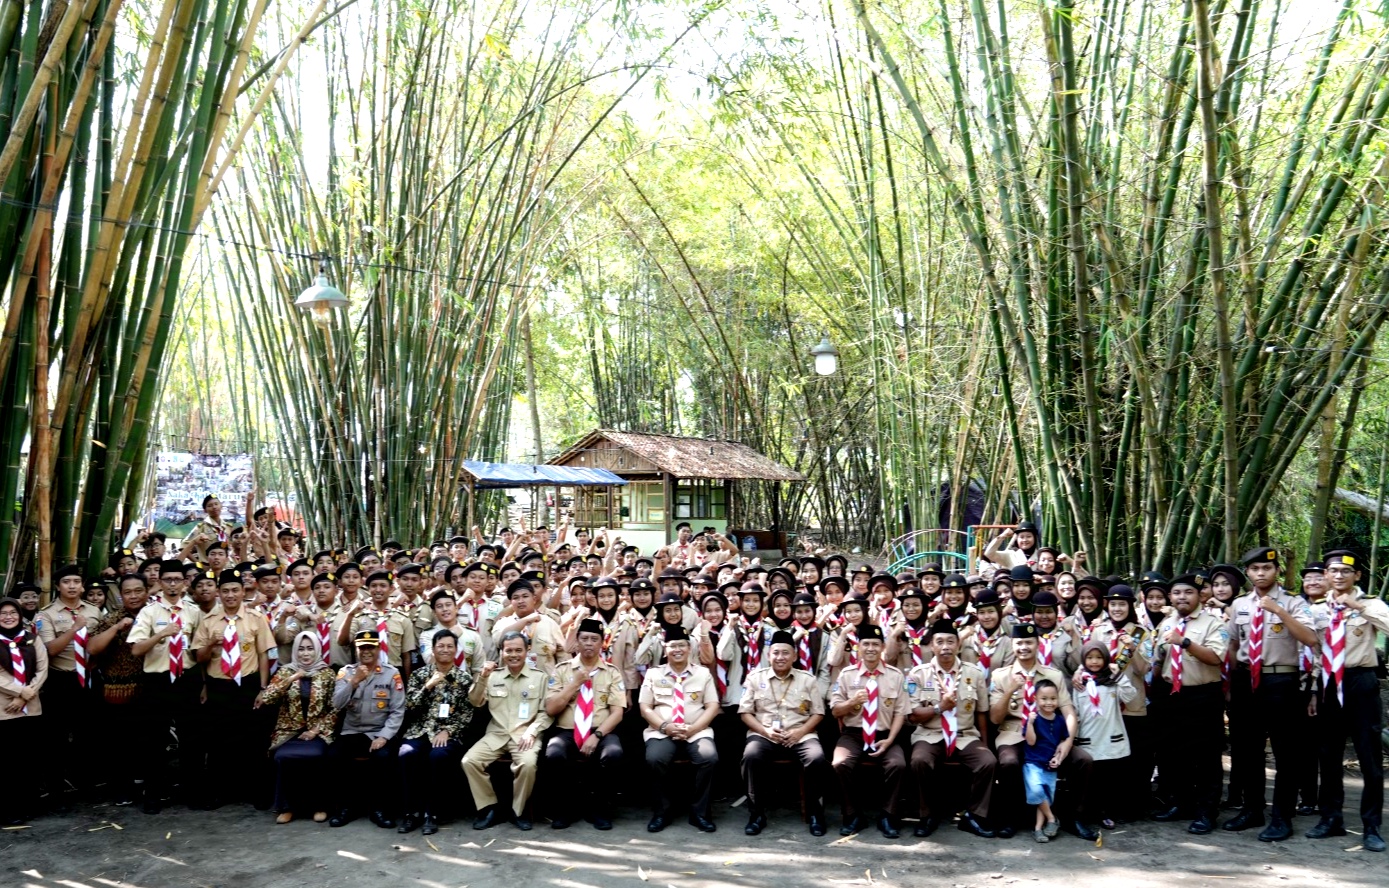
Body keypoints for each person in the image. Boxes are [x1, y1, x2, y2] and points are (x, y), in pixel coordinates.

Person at [1224, 547, 1316, 841]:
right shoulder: (1239, 605)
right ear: (1248, 573)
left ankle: (1282, 816)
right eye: (1254, 569)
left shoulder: (1293, 602)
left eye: (1266, 568)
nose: (1260, 574)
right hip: (1246, 681)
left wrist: (1279, 611)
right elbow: (1233, 644)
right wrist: (1231, 683)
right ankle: (1253, 810)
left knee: (1285, 752)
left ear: (1277, 571)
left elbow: (1310, 639)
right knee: (1248, 750)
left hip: (1281, 681)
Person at [1306, 550, 1387, 851]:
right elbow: (1315, 654)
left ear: (1357, 576)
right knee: (1328, 755)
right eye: (1332, 570)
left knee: (1370, 759)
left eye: (1344, 571)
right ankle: (1330, 819)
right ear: (1325, 575)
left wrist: (1358, 607)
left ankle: (1371, 827)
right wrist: (1314, 690)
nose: (1338, 576)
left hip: (1361, 682)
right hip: (1328, 684)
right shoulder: (1316, 610)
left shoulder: (1371, 603)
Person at [990, 623, 1097, 840]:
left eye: (1029, 642)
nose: (1024, 647)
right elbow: (995, 718)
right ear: (1012, 645)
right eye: (1019, 643)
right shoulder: (1000, 676)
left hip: (1049, 736)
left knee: (1083, 760)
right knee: (1009, 762)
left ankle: (1074, 818)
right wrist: (1011, 689)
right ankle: (1013, 818)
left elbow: (1068, 711)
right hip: (1014, 733)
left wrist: (1067, 743)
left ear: (1038, 645)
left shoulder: (1053, 675)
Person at [191, 568, 276, 807]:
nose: (230, 595)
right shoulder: (209, 622)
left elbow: (262, 655)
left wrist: (262, 688)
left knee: (254, 741)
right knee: (219, 742)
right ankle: (220, 792)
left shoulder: (255, 619)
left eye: (235, 590)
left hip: (248, 684)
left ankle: (257, 792)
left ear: (243, 592)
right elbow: (200, 658)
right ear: (218, 593)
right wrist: (209, 644)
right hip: (219, 685)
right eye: (225, 590)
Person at [1152, 574, 1229, 835]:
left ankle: (1207, 812)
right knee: (1175, 755)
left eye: (1188, 592)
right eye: (1176, 593)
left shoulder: (1213, 623)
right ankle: (1181, 804)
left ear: (1200, 596)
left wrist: (1185, 642)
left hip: (1202, 697)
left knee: (1206, 758)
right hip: (1171, 696)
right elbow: (1158, 659)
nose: (1181, 597)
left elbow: (1216, 657)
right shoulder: (1166, 623)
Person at [906, 620, 996, 838]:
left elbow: (981, 712)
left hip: (964, 735)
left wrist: (984, 743)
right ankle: (928, 815)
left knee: (988, 762)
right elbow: (912, 715)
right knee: (919, 760)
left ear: (958, 645)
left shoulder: (973, 673)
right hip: (930, 734)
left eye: (950, 641)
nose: (945, 646)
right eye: (940, 642)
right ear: (931, 647)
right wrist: (939, 708)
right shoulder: (918, 674)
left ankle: (973, 816)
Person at [738, 629, 830, 837]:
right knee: (751, 756)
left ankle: (816, 814)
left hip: (801, 733)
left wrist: (800, 732)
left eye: (786, 653)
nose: (780, 657)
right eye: (776, 653)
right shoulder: (754, 678)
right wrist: (765, 731)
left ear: (795, 656)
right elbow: (745, 713)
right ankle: (756, 814)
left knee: (816, 758)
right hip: (764, 733)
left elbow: (818, 713)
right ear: (769, 655)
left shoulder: (807, 679)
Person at [543, 618, 627, 830]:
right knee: (554, 753)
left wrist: (596, 736)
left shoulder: (612, 672)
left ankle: (598, 809)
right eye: (584, 639)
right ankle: (566, 808)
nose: (589, 643)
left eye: (594, 639)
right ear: (577, 643)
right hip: (567, 731)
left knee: (613, 753)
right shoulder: (562, 670)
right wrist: (575, 683)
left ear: (601, 644)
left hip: (600, 731)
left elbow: (617, 713)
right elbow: (551, 708)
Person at [464, 631, 552, 831]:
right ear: (501, 652)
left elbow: (546, 713)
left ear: (527, 651)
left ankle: (517, 811)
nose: (514, 655)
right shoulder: (492, 676)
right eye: (509, 650)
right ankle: (489, 808)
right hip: (497, 734)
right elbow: (475, 701)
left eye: (518, 650)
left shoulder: (540, 678)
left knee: (528, 764)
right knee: (469, 761)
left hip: (525, 735)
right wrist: (482, 677)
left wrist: (532, 731)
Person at [829, 622, 908, 838]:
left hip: (885, 734)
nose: (871, 648)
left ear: (883, 647)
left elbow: (901, 712)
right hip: (853, 734)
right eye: (866, 644)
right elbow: (836, 711)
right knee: (840, 763)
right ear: (858, 647)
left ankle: (888, 816)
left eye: (875, 644)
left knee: (898, 764)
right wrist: (851, 702)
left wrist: (890, 740)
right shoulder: (846, 675)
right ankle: (853, 815)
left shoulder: (895, 675)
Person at [640, 623, 721, 833]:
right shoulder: (653, 674)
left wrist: (694, 728)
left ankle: (699, 814)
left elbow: (713, 706)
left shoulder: (702, 674)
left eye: (682, 645)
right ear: (665, 649)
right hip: (661, 730)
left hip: (696, 730)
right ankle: (662, 813)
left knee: (708, 758)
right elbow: (645, 708)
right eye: (673, 645)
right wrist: (665, 727)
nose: (677, 650)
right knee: (654, 758)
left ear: (689, 648)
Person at [398, 630, 475, 835]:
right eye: (441, 646)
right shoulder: (419, 675)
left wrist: (448, 731)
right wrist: (428, 686)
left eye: (450, 646)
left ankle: (431, 813)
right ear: (433, 649)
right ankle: (410, 813)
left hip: (448, 734)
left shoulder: (464, 679)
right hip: (419, 731)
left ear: (456, 650)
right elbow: (410, 706)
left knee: (438, 756)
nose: (445, 650)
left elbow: (467, 714)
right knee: (407, 754)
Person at [36, 564, 102, 805]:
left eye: (76, 581)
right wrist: (74, 630)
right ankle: (57, 793)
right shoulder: (46, 615)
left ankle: (87, 788)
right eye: (66, 582)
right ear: (57, 586)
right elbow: (49, 650)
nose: (72, 586)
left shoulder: (95, 611)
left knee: (89, 736)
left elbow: (102, 642)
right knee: (57, 739)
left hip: (90, 678)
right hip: (60, 681)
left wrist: (95, 660)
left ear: (82, 585)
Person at [328, 630, 406, 828]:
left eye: (370, 647)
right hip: (352, 731)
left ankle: (379, 809)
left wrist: (384, 736)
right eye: (362, 647)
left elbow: (397, 710)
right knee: (335, 755)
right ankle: (346, 808)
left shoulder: (391, 673)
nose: (366, 651)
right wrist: (354, 682)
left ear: (379, 648)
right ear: (356, 650)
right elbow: (337, 704)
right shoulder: (346, 672)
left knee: (382, 757)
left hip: (378, 731)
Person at [259, 632, 338, 824]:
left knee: (316, 755)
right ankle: (288, 807)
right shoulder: (285, 671)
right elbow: (268, 698)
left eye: (310, 648)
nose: (305, 654)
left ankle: (318, 805)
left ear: (317, 650)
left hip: (317, 731)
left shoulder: (327, 673)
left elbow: (335, 708)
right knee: (283, 757)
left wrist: (315, 731)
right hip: (289, 731)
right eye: (301, 649)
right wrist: (293, 678)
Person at [87, 574, 151, 807]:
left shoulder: (158, 615)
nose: (133, 596)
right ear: (121, 595)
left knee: (149, 742)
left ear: (147, 591)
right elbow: (92, 648)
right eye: (128, 592)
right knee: (119, 744)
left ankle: (148, 787)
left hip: (151, 690)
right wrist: (116, 627)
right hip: (118, 691)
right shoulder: (112, 618)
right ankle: (121, 789)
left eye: (138, 591)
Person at [1070, 641, 1136, 829]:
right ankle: (1088, 812)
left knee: (1109, 780)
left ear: (1106, 659)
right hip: (1088, 739)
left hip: (1111, 738)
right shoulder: (1079, 683)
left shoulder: (1113, 681)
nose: (1095, 662)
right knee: (1091, 780)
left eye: (1099, 657)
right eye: (1090, 658)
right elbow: (1075, 712)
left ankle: (1105, 812)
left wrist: (1119, 676)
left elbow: (1130, 697)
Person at [0, 597, 47, 825]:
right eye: (3, 613)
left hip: (31, 708)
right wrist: (20, 693)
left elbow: (42, 668)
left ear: (20, 616)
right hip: (4, 710)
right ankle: (8, 809)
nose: (9, 617)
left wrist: (27, 694)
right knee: (7, 762)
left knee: (28, 759)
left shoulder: (31, 639)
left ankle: (29, 805)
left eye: (13, 613)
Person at [1024, 680, 1068, 842]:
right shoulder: (1034, 719)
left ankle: (1037, 829)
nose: (1049, 702)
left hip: (1050, 765)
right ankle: (1052, 819)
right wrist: (1029, 723)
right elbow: (1030, 741)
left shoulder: (1060, 720)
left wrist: (1057, 758)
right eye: (1044, 698)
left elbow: (1064, 740)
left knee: (1046, 798)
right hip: (1033, 763)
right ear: (1035, 699)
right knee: (1036, 792)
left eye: (1052, 698)